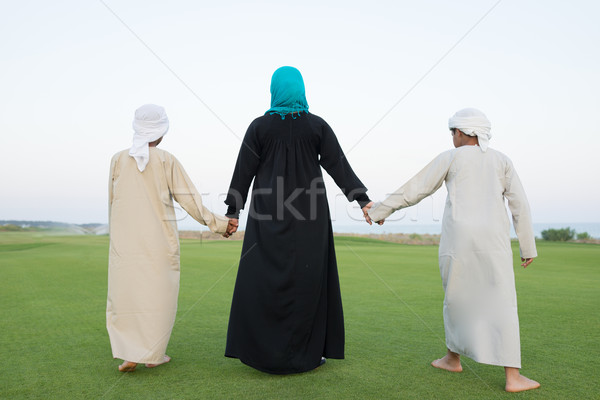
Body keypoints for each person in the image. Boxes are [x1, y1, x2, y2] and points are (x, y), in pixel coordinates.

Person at [367, 108, 540, 392]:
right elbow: (519, 203)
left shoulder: (451, 157)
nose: (452, 137)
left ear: (460, 133)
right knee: (502, 301)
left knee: (455, 297)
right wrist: (527, 245)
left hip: (458, 240)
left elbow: (415, 189)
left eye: (452, 132)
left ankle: (453, 358)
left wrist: (378, 211)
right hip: (493, 241)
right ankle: (510, 376)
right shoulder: (502, 161)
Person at [223, 66, 374, 374]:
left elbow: (243, 171)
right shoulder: (316, 126)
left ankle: (264, 353)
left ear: (274, 90)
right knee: (308, 281)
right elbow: (339, 166)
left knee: (264, 280)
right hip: (310, 217)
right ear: (301, 90)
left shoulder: (259, 127)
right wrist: (362, 199)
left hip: (267, 215)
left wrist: (233, 212)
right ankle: (305, 354)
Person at [107, 104, 233, 372]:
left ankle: (131, 353)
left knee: (127, 295)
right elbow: (191, 202)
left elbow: (113, 201)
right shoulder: (166, 160)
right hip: (158, 242)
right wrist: (221, 225)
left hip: (125, 243)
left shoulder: (118, 159)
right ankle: (152, 354)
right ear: (161, 132)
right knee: (158, 297)